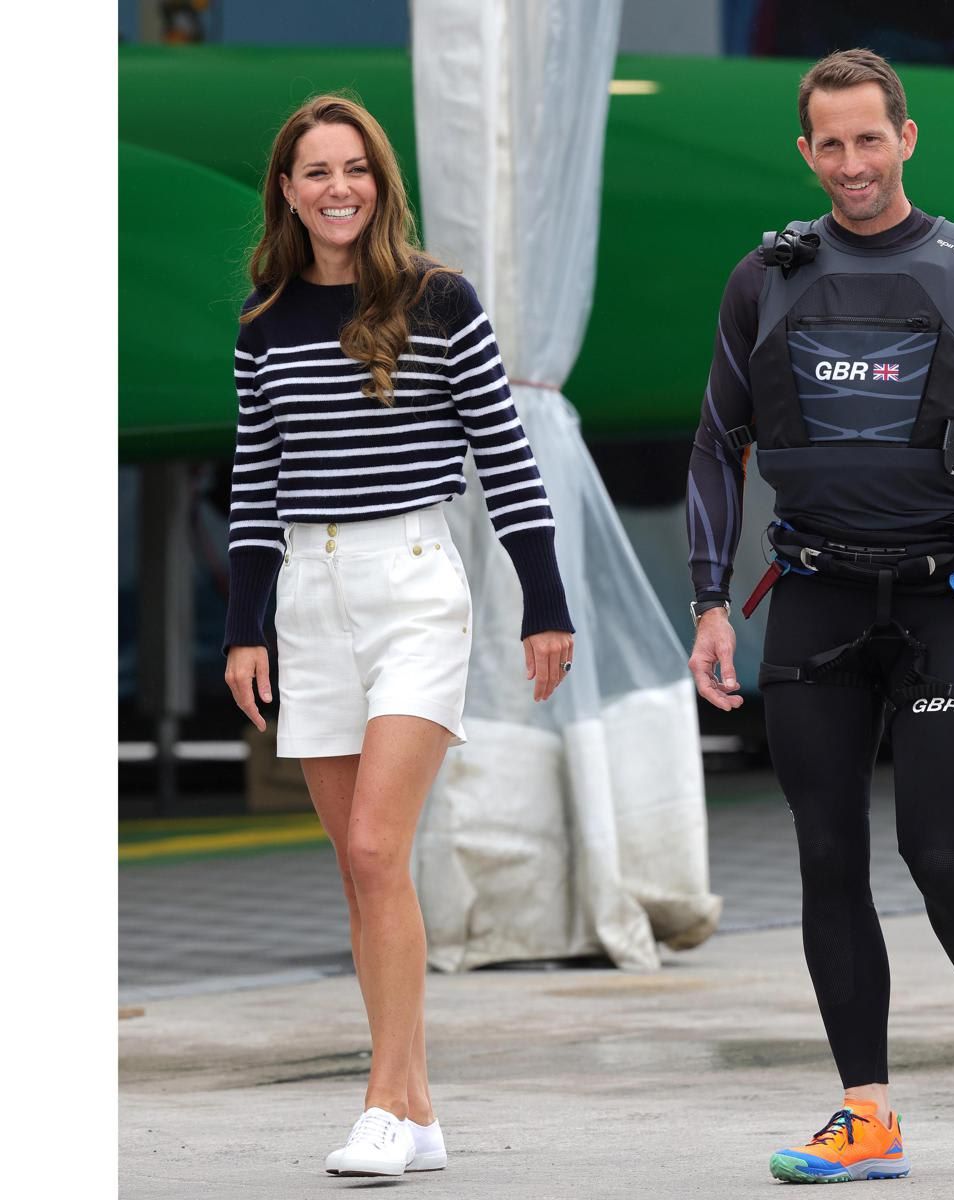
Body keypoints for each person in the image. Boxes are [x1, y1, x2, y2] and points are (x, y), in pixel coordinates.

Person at [686, 49, 954, 1184]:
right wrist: (712, 601)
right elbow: (719, 444)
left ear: (908, 138)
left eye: (871, 139)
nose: (853, 164)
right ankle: (866, 1113)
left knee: (939, 850)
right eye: (831, 144)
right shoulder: (763, 280)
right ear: (805, 153)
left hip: (945, 597)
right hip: (811, 597)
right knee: (825, 854)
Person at [222, 94, 575, 1178]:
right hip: (306, 593)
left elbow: (504, 456)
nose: (337, 188)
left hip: (416, 582)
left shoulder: (439, 299)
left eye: (355, 168)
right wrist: (246, 630)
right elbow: (255, 483)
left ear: (380, 182)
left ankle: (381, 1103)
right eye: (315, 171)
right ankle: (414, 1109)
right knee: (359, 867)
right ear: (286, 189)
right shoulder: (263, 320)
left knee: (379, 845)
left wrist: (544, 601)